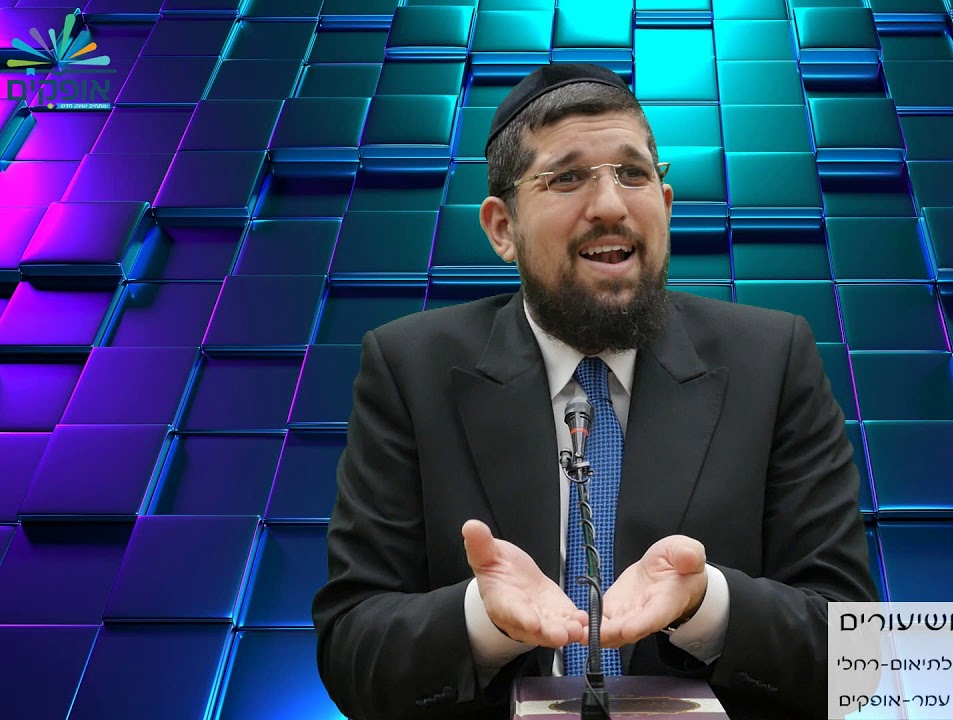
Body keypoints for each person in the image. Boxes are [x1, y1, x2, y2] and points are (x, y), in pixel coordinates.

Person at [312, 63, 878, 720]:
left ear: (666, 206)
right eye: (567, 177)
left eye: (633, 174)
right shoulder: (409, 368)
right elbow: (351, 646)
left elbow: (853, 654)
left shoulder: (773, 359)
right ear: (502, 228)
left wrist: (707, 605)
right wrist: (483, 619)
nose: (611, 205)